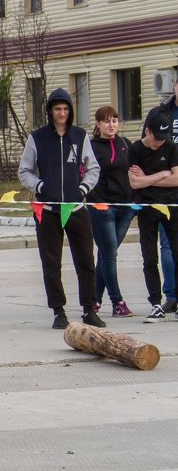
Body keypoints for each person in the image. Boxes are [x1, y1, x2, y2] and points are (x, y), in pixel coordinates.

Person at [17, 87, 103, 330]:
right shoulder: (38, 138)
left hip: (76, 209)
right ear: (50, 111)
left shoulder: (79, 136)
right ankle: (58, 310)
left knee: (86, 260)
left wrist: (84, 189)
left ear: (70, 111)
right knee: (51, 262)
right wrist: (41, 186)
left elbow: (93, 167)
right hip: (49, 211)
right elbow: (24, 171)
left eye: (65, 109)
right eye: (57, 109)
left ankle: (89, 308)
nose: (62, 113)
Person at [129, 106, 178, 323]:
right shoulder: (136, 150)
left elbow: (177, 179)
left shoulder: (172, 148)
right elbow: (134, 183)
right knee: (150, 257)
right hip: (147, 209)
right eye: (157, 138)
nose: (160, 143)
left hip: (172, 206)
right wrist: (162, 173)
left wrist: (148, 178)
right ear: (148, 132)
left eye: (163, 138)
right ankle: (155, 303)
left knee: (176, 253)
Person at [88, 105, 136, 317]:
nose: (111, 125)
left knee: (108, 254)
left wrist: (134, 204)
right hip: (102, 208)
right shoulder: (90, 147)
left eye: (115, 121)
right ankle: (117, 301)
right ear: (98, 124)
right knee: (110, 254)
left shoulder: (126, 144)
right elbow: (86, 176)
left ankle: (94, 299)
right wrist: (98, 202)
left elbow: (135, 171)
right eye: (107, 121)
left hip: (125, 208)